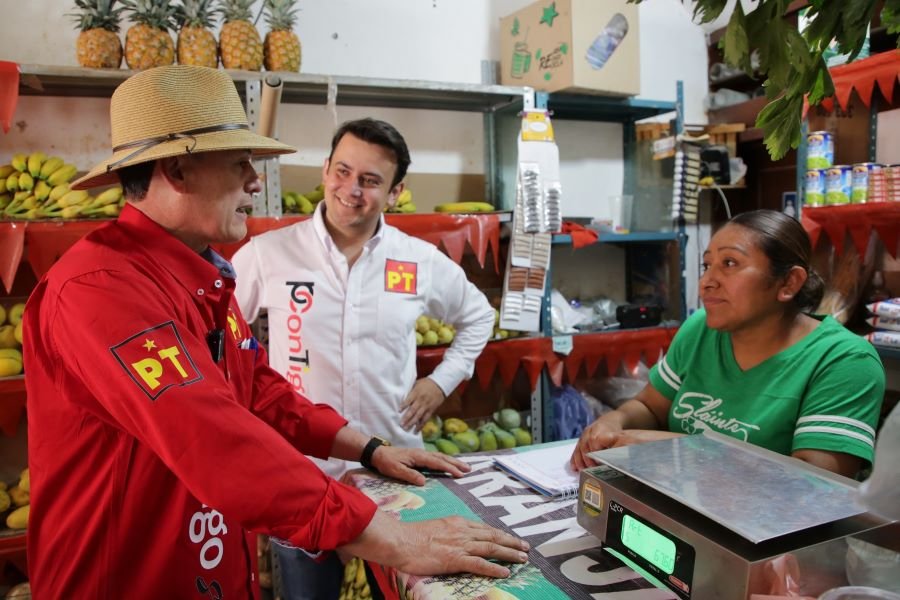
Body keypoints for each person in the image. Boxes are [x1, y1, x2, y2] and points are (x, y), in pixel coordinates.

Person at [23, 65, 528, 600]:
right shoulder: (101, 290)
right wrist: (399, 543)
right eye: (241, 163)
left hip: (204, 559)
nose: (256, 182)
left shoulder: (202, 278)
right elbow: (213, 438)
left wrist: (369, 449)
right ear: (176, 169)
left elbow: (259, 393)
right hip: (128, 579)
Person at [231, 118, 495, 598]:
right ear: (326, 169)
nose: (351, 190)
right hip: (302, 473)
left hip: (392, 471)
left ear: (395, 193)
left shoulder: (417, 260)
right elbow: (219, 335)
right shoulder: (269, 254)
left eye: (371, 181)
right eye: (342, 172)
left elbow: (479, 316)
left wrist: (442, 381)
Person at [571, 209, 885, 478]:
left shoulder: (843, 361)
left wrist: (669, 451)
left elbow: (815, 482)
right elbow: (648, 406)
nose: (708, 280)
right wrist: (613, 421)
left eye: (730, 263)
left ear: (789, 283)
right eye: (707, 264)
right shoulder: (700, 330)